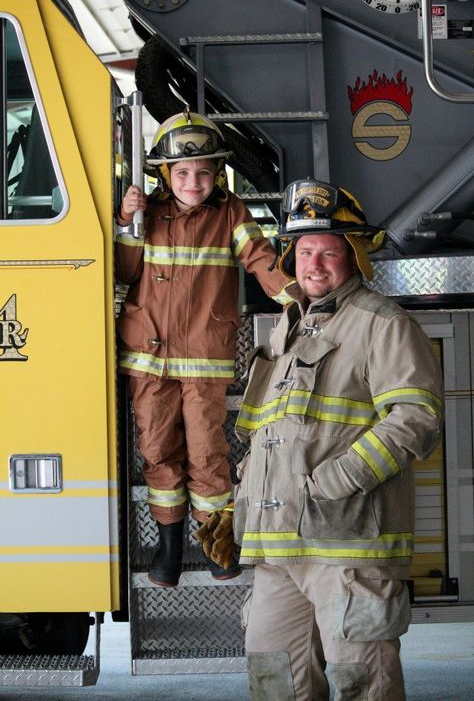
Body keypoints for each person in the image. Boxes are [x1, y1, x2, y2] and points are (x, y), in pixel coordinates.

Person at [231, 179, 444, 700]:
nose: (315, 265)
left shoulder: (381, 323)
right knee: (274, 680)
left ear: (355, 259)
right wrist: (242, 495)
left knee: (361, 685)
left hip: (348, 547)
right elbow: (271, 431)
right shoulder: (288, 327)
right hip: (278, 547)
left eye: (330, 252)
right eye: (304, 252)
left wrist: (331, 482)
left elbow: (416, 417)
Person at [114, 109, 297, 588]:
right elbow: (123, 272)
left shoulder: (231, 213)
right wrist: (126, 218)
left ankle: (215, 543)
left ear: (218, 173)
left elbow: (260, 258)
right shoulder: (147, 212)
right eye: (182, 173)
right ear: (164, 174)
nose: (193, 181)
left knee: (208, 453)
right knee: (157, 452)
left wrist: (296, 299)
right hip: (147, 358)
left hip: (203, 360)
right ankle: (169, 548)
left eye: (203, 172)